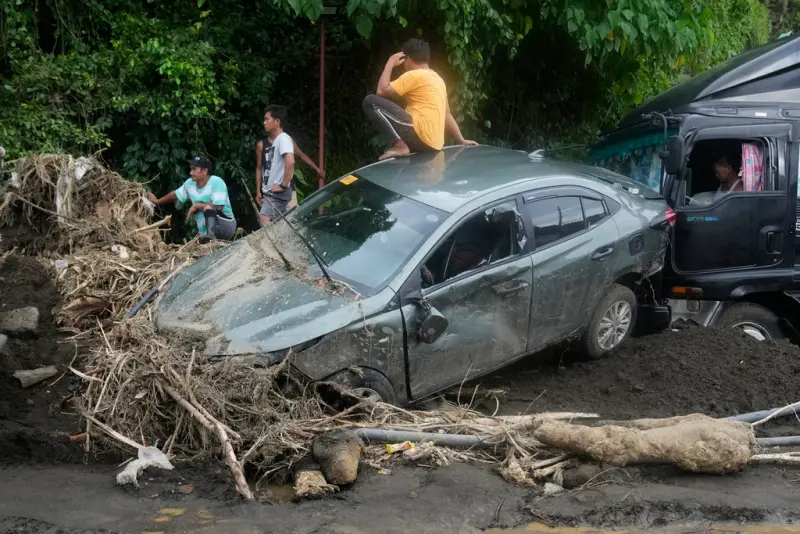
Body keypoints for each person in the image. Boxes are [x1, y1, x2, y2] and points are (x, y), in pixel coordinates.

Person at [363, 38, 477, 161]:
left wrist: (390, 62)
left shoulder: (414, 75)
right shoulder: (439, 80)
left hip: (419, 135)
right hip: (434, 145)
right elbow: (447, 114)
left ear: (406, 59)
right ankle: (401, 145)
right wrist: (461, 140)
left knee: (370, 101)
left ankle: (399, 145)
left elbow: (381, 91)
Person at [147, 155, 236, 243]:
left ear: (205, 171)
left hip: (225, 226)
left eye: (194, 169)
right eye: (191, 169)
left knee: (208, 207)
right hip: (205, 232)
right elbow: (175, 195)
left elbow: (219, 206)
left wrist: (197, 205)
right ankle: (208, 237)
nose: (190, 173)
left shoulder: (216, 181)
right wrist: (157, 202)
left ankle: (210, 236)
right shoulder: (190, 184)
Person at [256, 134, 324, 213]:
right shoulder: (261, 145)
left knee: (292, 217)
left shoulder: (287, 141)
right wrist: (258, 191)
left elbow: (301, 154)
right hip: (270, 190)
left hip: (288, 188)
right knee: (273, 220)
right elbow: (259, 167)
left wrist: (316, 169)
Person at [256, 105, 298, 226]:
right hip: (271, 192)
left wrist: (283, 185)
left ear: (277, 121)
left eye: (267, 119)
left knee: (264, 217)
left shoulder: (283, 139)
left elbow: (291, 161)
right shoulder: (279, 140)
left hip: (278, 192)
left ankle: (270, 244)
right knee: (286, 225)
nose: (264, 123)